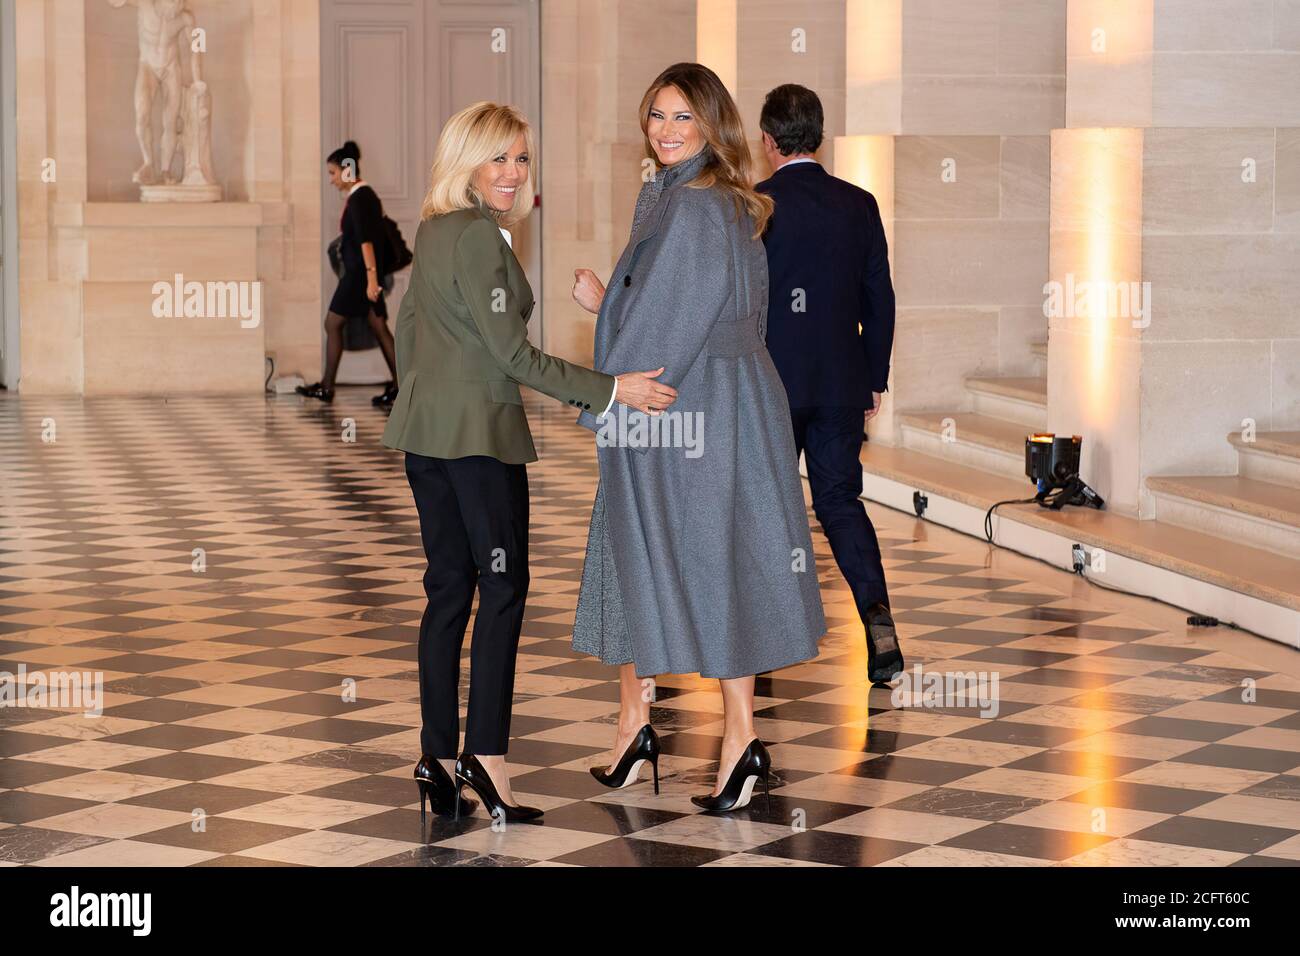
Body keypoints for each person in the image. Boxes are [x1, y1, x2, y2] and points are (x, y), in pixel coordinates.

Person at [381, 102, 678, 823]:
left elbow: (407, 327)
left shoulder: (435, 228)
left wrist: (429, 394)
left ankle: (436, 755)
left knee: (449, 591)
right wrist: (613, 390)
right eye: (500, 159)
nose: (515, 173)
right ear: (468, 164)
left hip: (427, 439)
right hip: (480, 441)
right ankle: (487, 758)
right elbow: (513, 356)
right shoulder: (480, 236)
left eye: (522, 159)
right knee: (503, 591)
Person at [570, 63, 826, 813]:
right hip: (719, 398)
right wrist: (609, 304)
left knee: (706, 559)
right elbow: (685, 306)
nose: (667, 130)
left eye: (683, 117)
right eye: (656, 115)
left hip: (688, 407)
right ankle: (643, 725)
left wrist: (607, 392)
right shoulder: (697, 196)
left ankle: (735, 739)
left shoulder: (694, 206)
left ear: (714, 123)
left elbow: (666, 324)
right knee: (673, 551)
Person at [756, 84, 903, 685]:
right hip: (842, 380)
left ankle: (762, 635)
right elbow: (881, 299)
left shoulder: (754, 206)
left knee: (765, 506)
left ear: (767, 141)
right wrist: (872, 377)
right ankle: (878, 621)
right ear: (818, 136)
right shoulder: (859, 204)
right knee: (840, 503)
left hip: (770, 384)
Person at [297, 141, 400, 407]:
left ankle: (327, 387)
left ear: (346, 170)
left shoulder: (359, 198)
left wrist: (372, 279)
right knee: (379, 326)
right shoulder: (363, 196)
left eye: (332, 173)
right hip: (363, 276)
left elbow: (366, 242)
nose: (331, 180)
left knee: (333, 323)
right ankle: (401, 387)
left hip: (358, 278)